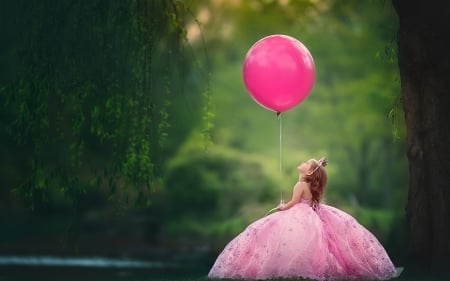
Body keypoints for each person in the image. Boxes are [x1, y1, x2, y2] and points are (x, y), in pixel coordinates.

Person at [208, 157, 399, 280]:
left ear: (308, 172)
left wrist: (281, 207)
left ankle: (292, 270)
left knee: (278, 237)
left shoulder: (299, 184)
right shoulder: (310, 185)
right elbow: (308, 196)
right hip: (313, 212)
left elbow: (293, 203)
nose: (303, 163)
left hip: (299, 214)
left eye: (307, 163)